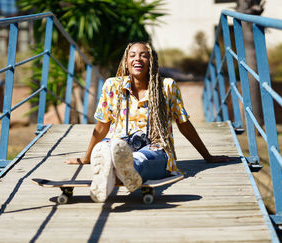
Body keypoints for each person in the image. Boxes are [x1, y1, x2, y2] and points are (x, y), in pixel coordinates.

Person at [65, 42, 230, 202]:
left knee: (138, 159)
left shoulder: (167, 86)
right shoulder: (112, 86)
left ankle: (113, 175)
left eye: (144, 56)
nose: (138, 59)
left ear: (152, 62)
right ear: (126, 62)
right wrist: (87, 158)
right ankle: (114, 173)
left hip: (155, 147)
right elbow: (101, 127)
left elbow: (184, 124)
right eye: (133, 55)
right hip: (118, 143)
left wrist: (207, 156)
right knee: (107, 148)